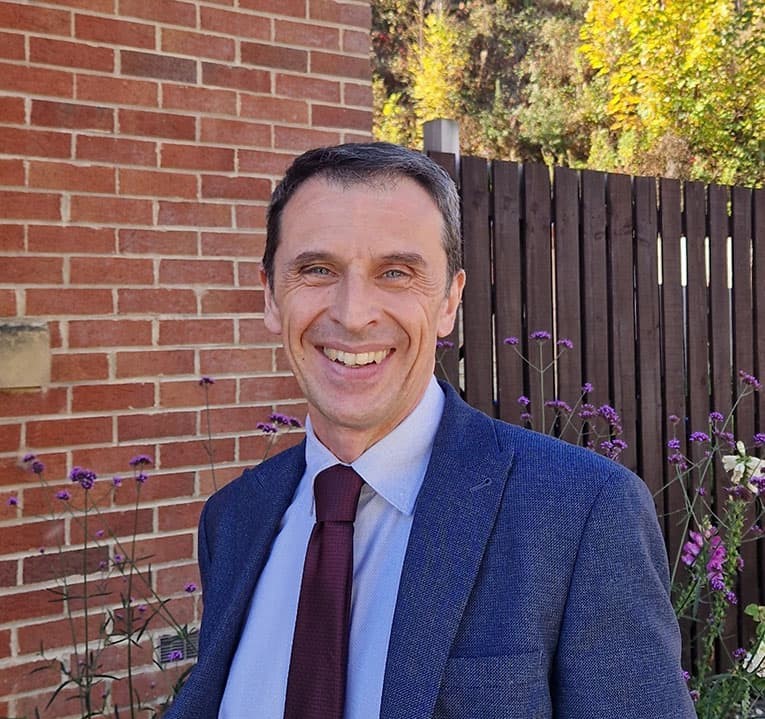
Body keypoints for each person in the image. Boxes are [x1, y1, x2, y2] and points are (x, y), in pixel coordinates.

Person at [165, 142, 696, 719]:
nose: (353, 312)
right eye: (317, 270)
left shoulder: (580, 514)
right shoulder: (234, 518)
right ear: (270, 295)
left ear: (449, 302)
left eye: (396, 273)